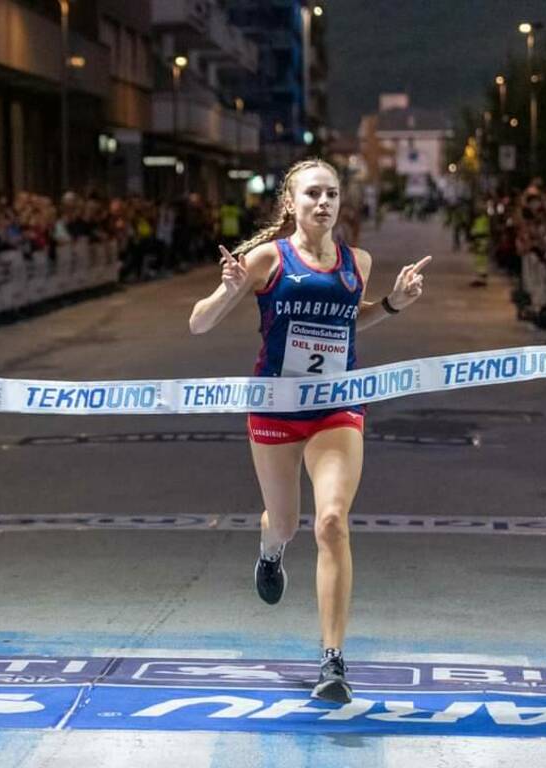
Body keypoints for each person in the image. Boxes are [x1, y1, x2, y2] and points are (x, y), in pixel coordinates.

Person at [188, 159, 429, 703]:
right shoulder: (267, 258)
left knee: (331, 521)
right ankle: (269, 549)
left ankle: (332, 659)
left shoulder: (357, 261)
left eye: (333, 194)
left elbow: (351, 318)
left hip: (336, 405)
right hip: (274, 406)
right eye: (313, 194)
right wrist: (229, 289)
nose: (324, 203)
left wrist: (392, 305)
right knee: (289, 524)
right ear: (291, 203)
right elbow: (198, 324)